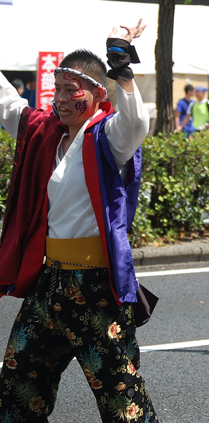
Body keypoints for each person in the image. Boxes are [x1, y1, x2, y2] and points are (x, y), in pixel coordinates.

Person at [0, 21, 158, 422]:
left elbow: (137, 123)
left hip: (96, 289)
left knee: (123, 403)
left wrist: (123, 70)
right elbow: (9, 104)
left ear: (98, 95)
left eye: (74, 90)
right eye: (59, 89)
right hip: (49, 283)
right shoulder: (45, 134)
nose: (63, 99)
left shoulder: (106, 137)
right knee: (18, 384)